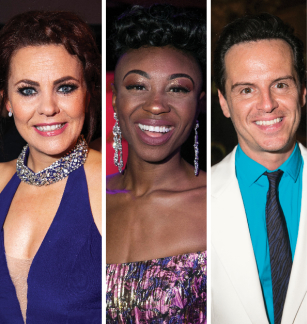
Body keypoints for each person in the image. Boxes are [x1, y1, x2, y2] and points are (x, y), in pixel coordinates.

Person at [105, 5, 206, 323]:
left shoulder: (228, 206)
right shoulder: (86, 200)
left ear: (198, 105)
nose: (156, 105)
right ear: (115, 100)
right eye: (137, 86)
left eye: (177, 88)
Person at [0, 11, 102, 323]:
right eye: (28, 90)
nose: (48, 108)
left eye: (65, 87)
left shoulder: (112, 187)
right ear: (6, 101)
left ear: (86, 93)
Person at [212, 13, 307, 324]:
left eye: (280, 84)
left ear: (302, 93)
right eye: (246, 90)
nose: (267, 104)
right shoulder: (195, 199)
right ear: (224, 102)